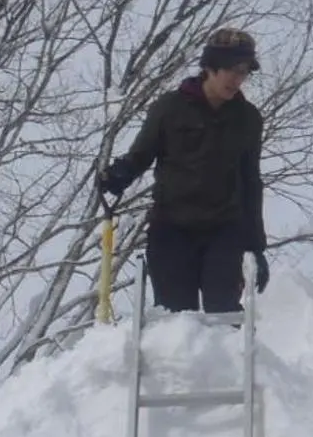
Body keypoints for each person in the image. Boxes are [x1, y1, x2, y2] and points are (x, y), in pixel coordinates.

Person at [98, 26, 270, 315]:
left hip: (224, 230)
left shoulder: (248, 119)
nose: (237, 79)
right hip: (172, 229)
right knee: (175, 319)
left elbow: (251, 181)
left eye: (243, 73)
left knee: (223, 315)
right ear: (210, 67)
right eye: (232, 70)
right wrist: (119, 174)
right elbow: (141, 155)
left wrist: (256, 246)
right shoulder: (169, 108)